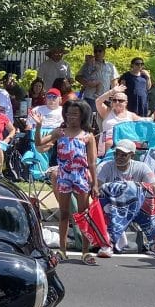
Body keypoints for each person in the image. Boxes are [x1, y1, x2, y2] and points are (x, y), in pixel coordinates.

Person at [36, 99, 99, 263]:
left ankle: (85, 251)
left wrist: (95, 184)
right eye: (69, 114)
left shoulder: (87, 136)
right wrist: (38, 126)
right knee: (64, 214)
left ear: (82, 116)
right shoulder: (60, 132)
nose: (71, 117)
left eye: (75, 114)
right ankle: (62, 250)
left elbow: (92, 162)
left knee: (83, 215)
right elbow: (39, 143)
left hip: (81, 176)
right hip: (64, 175)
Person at [95, 139, 155, 260]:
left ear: (132, 155)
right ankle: (107, 243)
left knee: (150, 197)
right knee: (105, 193)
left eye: (123, 155)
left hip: (136, 208)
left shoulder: (142, 167)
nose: (119, 157)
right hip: (112, 207)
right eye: (116, 154)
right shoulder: (105, 167)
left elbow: (154, 187)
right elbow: (97, 190)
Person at [95, 87, 140, 155]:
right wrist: (112, 91)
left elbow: (145, 122)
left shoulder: (131, 115)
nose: (117, 102)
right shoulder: (107, 111)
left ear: (126, 103)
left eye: (120, 100)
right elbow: (98, 101)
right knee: (109, 143)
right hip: (107, 140)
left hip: (125, 140)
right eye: (114, 100)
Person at [78, 45, 117, 114]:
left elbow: (114, 82)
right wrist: (87, 83)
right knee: (91, 120)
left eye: (100, 51)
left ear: (104, 53)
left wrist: (114, 96)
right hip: (91, 98)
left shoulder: (110, 66)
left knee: (104, 121)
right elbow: (78, 77)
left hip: (105, 98)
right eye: (95, 51)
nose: (97, 53)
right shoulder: (88, 64)